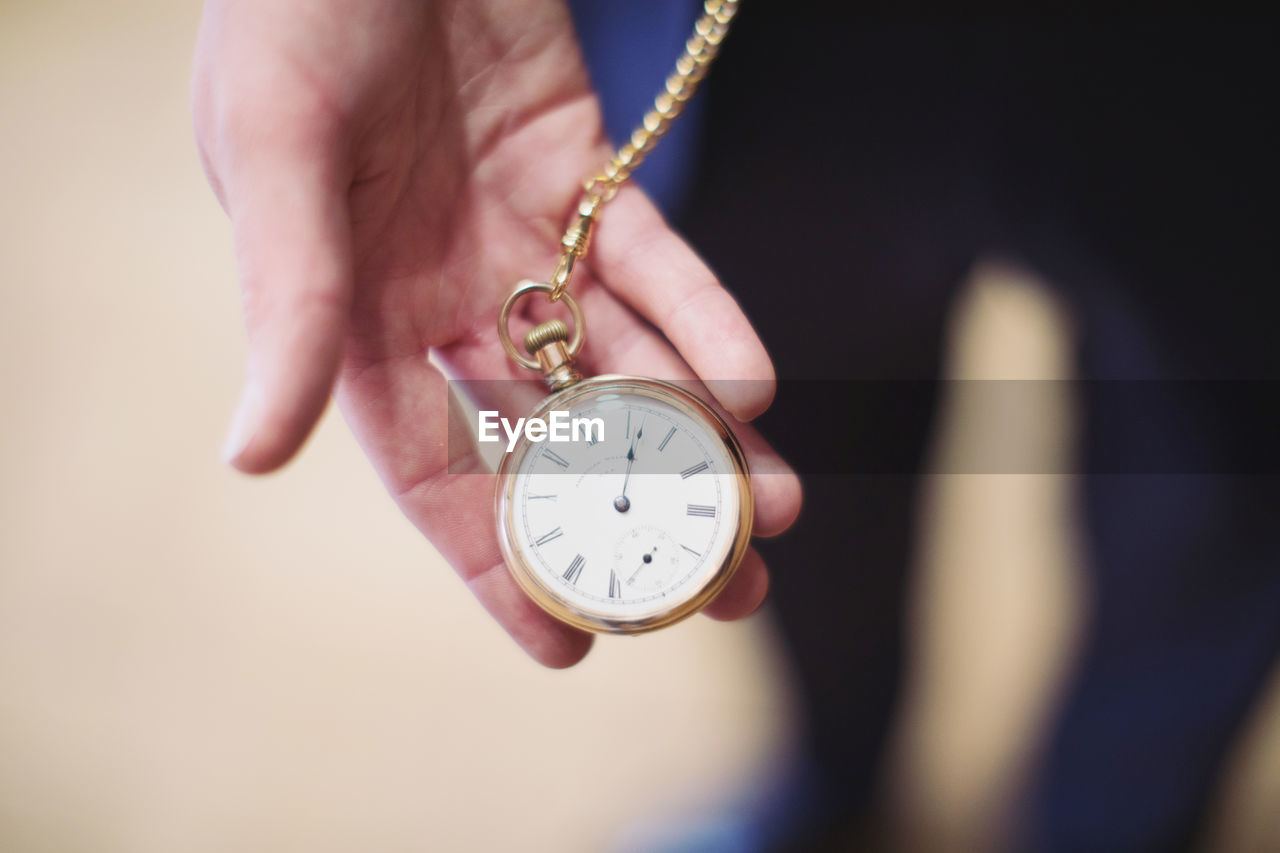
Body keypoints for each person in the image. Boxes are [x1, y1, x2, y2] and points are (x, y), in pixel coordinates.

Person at [195, 0, 1280, 848]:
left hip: (1222, 79)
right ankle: (831, 785)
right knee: (805, 471)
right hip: (748, 68)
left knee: (1218, 497)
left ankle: (1119, 826)